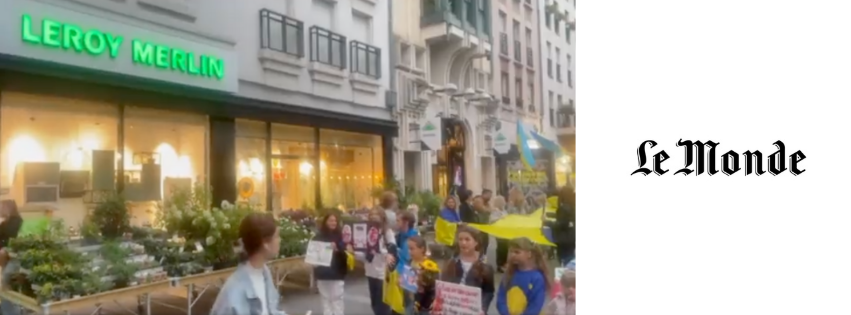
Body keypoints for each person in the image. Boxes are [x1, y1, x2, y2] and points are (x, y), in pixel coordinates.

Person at [211, 212, 284, 315]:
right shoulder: (233, 293)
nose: (280, 240)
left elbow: (271, 311)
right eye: (277, 236)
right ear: (265, 243)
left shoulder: (264, 273)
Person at [440, 227, 495, 314]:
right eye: (460, 239)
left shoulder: (485, 267)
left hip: (472, 311)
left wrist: (483, 308)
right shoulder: (450, 263)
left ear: (476, 242)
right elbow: (443, 287)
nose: (463, 243)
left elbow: (488, 292)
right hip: (452, 309)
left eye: (467, 239)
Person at [354, 209, 396, 315]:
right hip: (370, 272)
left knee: (383, 304)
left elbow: (392, 251)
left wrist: (380, 251)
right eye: (371, 214)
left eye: (376, 214)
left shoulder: (387, 232)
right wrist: (353, 252)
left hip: (383, 273)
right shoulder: (365, 232)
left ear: (382, 217)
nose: (374, 216)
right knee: (374, 303)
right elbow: (363, 256)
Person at [496, 238, 550, 315]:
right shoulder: (509, 274)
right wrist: (505, 312)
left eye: (517, 252)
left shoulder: (537, 278)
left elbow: (535, 304)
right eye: (511, 251)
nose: (512, 255)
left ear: (529, 254)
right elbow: (501, 297)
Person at [312, 213, 352, 315]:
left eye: (335, 221)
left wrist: (339, 249)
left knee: (337, 301)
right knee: (326, 301)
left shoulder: (341, 237)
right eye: (330, 220)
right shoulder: (318, 237)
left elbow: (346, 254)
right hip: (323, 274)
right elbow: (313, 254)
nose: (333, 223)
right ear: (325, 222)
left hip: (337, 273)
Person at [0, 200, 23, 315]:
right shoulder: (6, 221)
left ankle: (10, 311)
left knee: (6, 281)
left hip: (13, 256)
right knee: (5, 281)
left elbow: (11, 235)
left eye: (2, 207)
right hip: (4, 256)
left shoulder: (16, 221)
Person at [553, 186, 576, 265]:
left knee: (566, 263)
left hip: (564, 242)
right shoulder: (574, 207)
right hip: (573, 240)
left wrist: (549, 223)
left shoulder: (563, 209)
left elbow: (561, 224)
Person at [489, 196, 509, 272]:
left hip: (505, 231)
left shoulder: (504, 210)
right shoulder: (495, 211)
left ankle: (504, 263)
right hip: (499, 232)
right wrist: (500, 218)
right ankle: (500, 264)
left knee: (505, 248)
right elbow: (492, 220)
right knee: (501, 248)